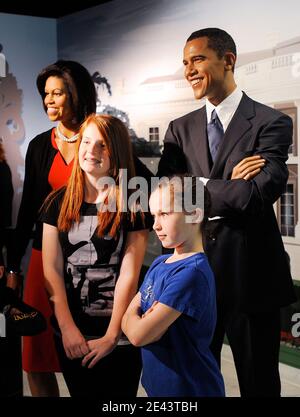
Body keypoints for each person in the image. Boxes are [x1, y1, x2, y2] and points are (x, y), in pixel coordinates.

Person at [158, 28, 296, 397]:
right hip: (192, 277)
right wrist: (222, 183)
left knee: (259, 383)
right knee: (196, 382)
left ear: (228, 60)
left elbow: (256, 195)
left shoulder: (272, 122)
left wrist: (197, 184)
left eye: (197, 59)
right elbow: (168, 196)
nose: (188, 70)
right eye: (185, 63)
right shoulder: (178, 129)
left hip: (252, 277)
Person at [41, 114, 150, 398]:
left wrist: (113, 335)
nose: (92, 151)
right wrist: (67, 329)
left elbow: (130, 272)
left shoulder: (133, 203)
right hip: (72, 334)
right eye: (86, 142)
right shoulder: (56, 202)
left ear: (117, 152)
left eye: (103, 145)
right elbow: (52, 269)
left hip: (121, 337)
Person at [7, 60, 97, 396]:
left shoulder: (102, 137)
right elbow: (28, 208)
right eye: (46, 94)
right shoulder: (40, 145)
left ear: (76, 94)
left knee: (86, 358)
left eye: (58, 93)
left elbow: (134, 188)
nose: (49, 101)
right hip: (43, 263)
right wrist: (14, 264)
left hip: (91, 263)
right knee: (37, 358)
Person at [122, 175, 225, 397]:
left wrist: (139, 320)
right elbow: (127, 321)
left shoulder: (191, 273)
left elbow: (138, 335)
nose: (155, 225)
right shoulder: (160, 263)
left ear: (195, 214)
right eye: (153, 216)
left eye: (165, 214)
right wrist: (138, 320)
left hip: (190, 391)